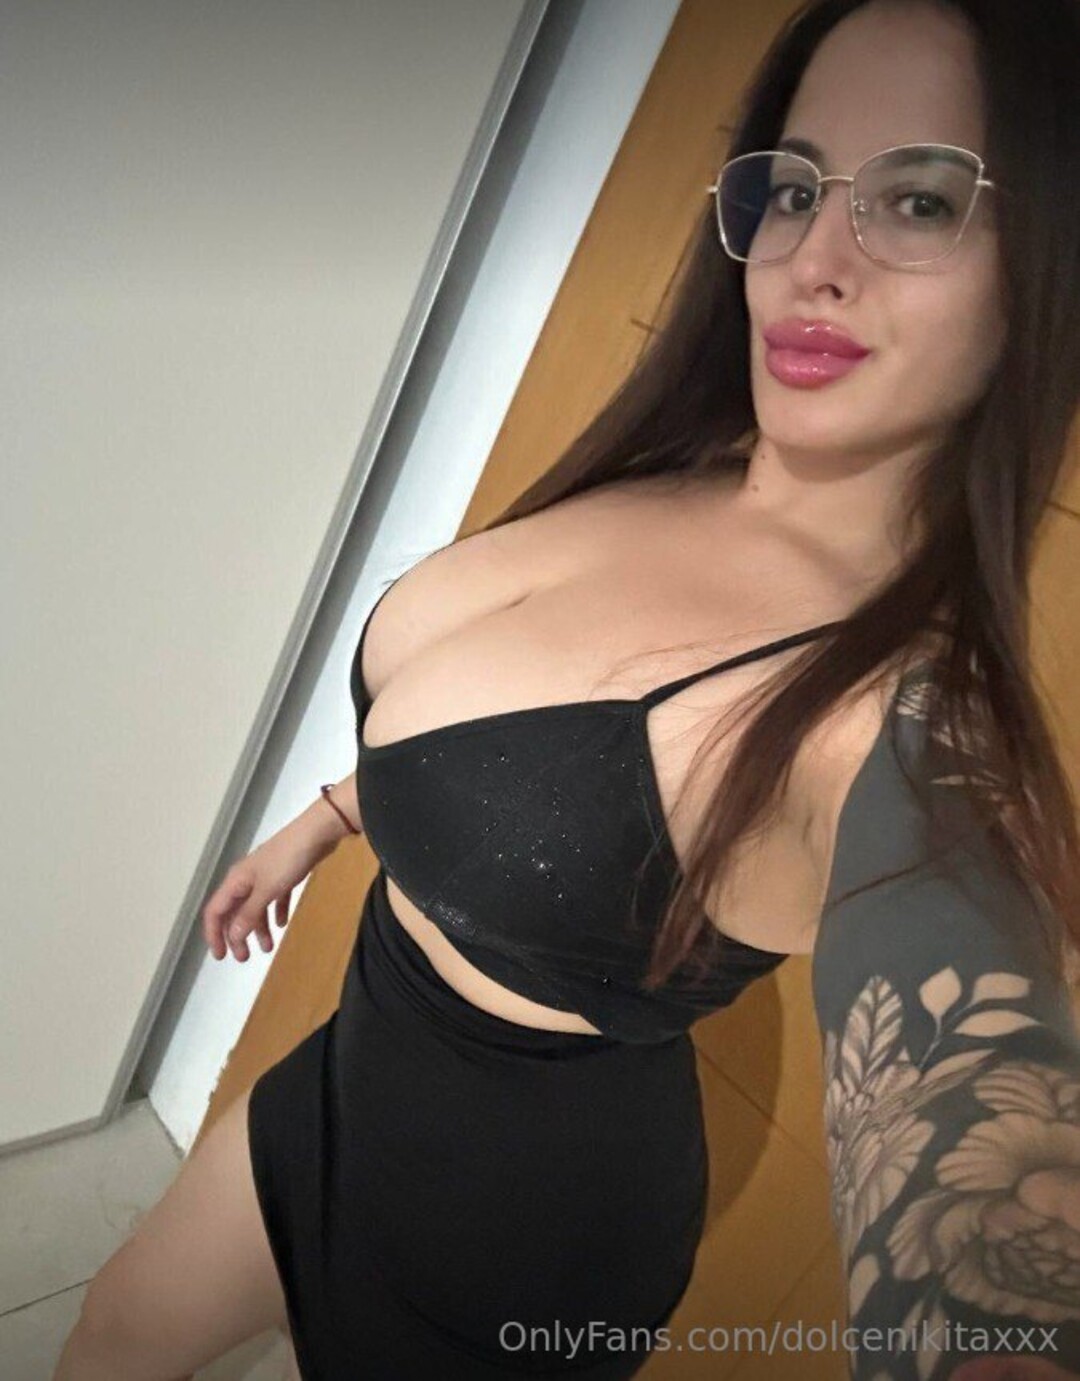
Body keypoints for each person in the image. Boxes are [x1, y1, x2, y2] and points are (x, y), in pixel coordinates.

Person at [55, 0, 1080, 1377]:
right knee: (111, 1333)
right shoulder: (681, 461)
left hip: (521, 1250)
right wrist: (327, 818)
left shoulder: (896, 717)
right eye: (793, 188)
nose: (814, 260)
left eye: (919, 199)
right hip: (354, 1071)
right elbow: (494, 733)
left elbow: (977, 1112)